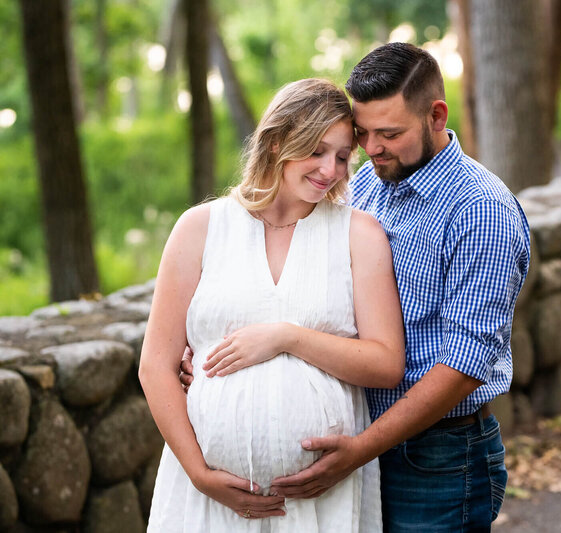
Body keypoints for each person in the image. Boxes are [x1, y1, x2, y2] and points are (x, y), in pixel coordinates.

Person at [184, 43, 531, 531]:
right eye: (363, 134)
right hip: (355, 449)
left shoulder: (481, 210)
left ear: (436, 116)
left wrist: (358, 451)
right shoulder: (364, 188)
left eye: (390, 133)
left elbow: (465, 365)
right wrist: (204, 354)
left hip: (435, 458)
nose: (372, 148)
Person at [139, 78, 405, 532]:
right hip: (208, 503)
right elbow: (155, 366)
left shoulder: (359, 234)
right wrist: (201, 476)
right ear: (278, 141)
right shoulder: (200, 228)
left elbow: (385, 364)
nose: (331, 170)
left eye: (343, 156)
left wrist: (287, 338)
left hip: (322, 503)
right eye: (317, 151)